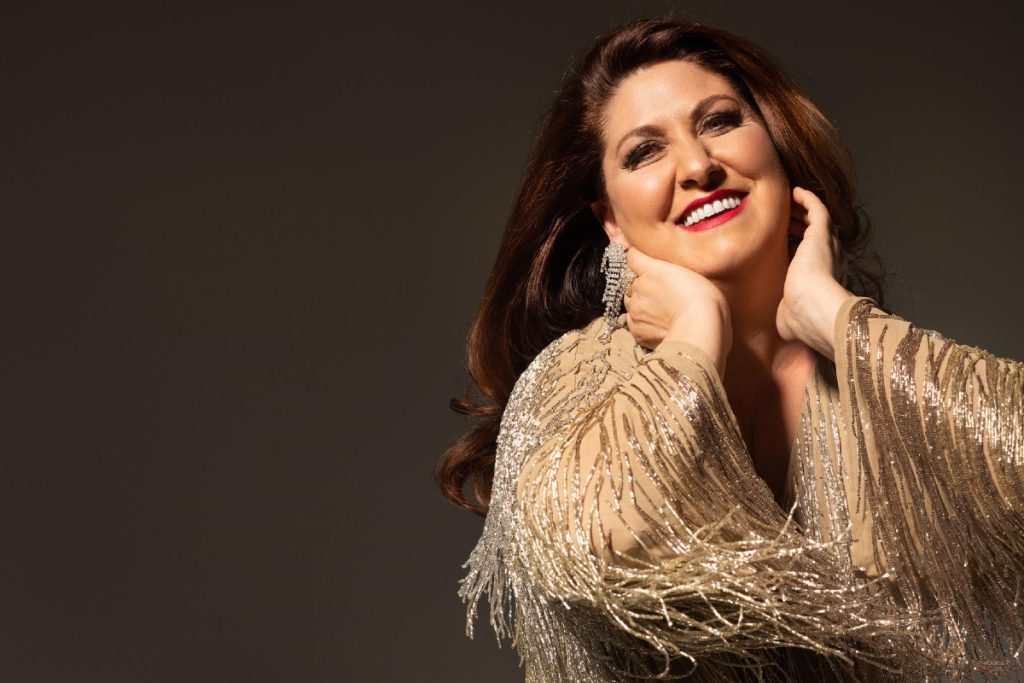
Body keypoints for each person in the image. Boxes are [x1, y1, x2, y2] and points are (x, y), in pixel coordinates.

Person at [435, 16, 1024, 682]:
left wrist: (835, 316)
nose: (698, 166)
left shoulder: (871, 364)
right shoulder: (575, 377)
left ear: (776, 148)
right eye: (644, 153)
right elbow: (595, 551)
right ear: (611, 220)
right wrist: (695, 333)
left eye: (719, 122)